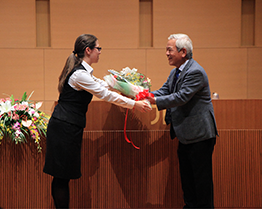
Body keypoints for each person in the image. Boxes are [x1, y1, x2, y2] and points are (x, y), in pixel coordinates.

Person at [43, 34, 152, 208]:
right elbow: (105, 94)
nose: (100, 52)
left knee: (63, 176)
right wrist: (134, 104)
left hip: (69, 127)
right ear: (88, 50)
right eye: (98, 48)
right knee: (61, 177)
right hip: (64, 128)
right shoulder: (79, 75)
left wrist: (127, 85)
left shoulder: (84, 72)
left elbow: (103, 85)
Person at [146, 33, 218, 208]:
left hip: (200, 135)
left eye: (169, 50)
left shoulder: (195, 72)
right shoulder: (175, 72)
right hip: (186, 135)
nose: (166, 53)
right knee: (188, 182)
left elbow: (181, 97)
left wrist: (154, 101)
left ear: (183, 52)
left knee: (201, 185)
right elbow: (164, 91)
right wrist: (141, 94)